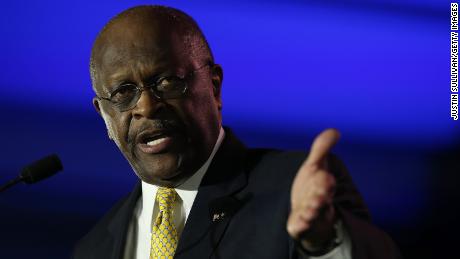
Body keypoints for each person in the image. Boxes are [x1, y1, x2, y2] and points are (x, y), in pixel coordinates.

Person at [72, 5, 402, 259]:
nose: (146, 106)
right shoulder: (94, 248)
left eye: (167, 81)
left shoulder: (293, 189)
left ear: (213, 87)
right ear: (104, 115)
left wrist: (323, 242)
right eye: (123, 93)